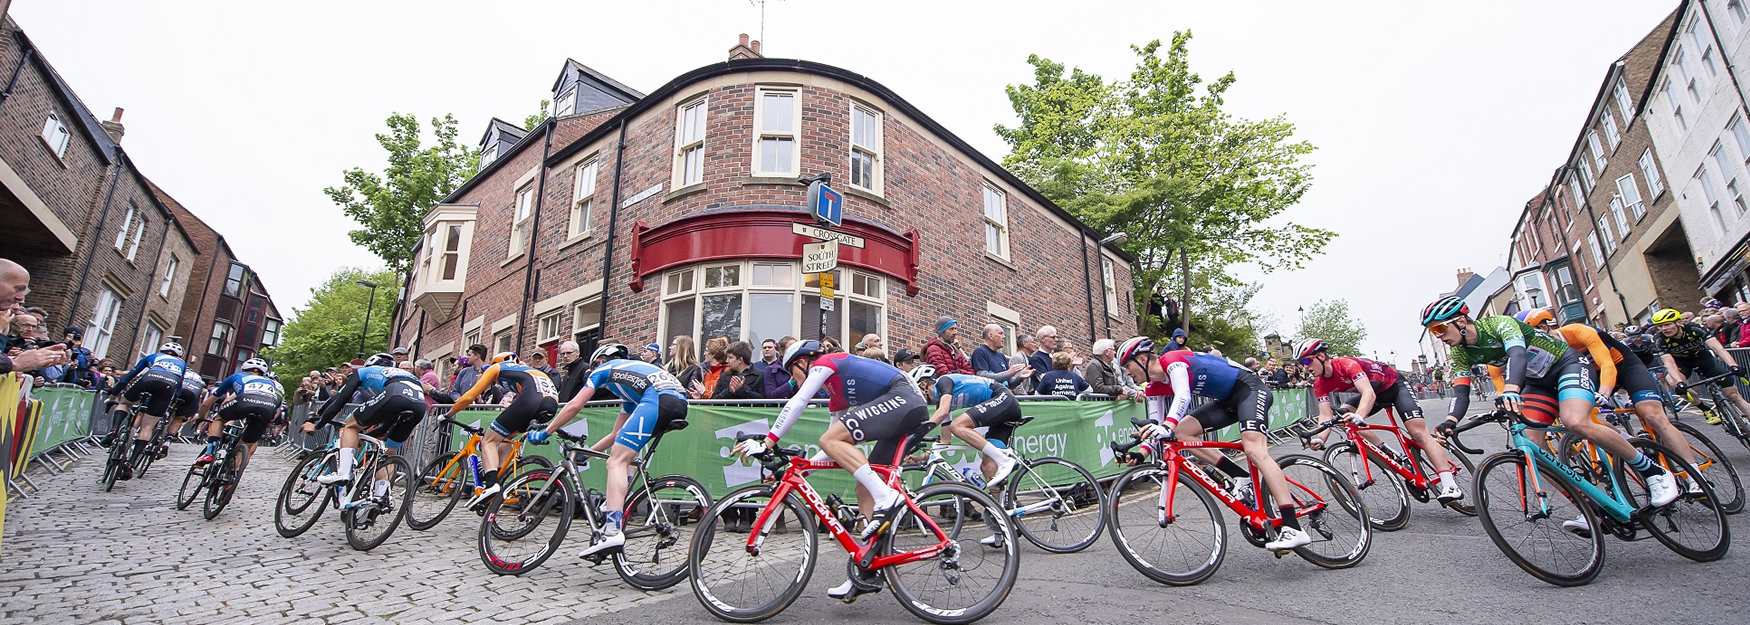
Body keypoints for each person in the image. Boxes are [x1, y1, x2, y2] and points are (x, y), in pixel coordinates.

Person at [1422, 297, 1679, 514]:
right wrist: (1450, 422)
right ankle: (1588, 507)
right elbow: (1461, 390)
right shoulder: (1459, 353)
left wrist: (1512, 390)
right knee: (1531, 445)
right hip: (1538, 383)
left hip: (1566, 364)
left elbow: (1517, 354)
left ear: (1461, 321)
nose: (1440, 337)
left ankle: (1654, 472)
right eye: (1435, 332)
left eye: (1439, 329)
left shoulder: (1500, 324)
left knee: (1575, 421)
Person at [733, 339, 928, 602]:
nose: (794, 379)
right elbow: (833, 442)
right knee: (865, 486)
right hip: (907, 406)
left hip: (904, 397)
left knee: (853, 463)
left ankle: (886, 497)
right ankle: (867, 568)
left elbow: (798, 402)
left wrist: (768, 442)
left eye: (793, 372)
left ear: (803, 362)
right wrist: (806, 468)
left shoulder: (825, 363)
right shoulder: (837, 396)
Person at [1117, 335, 1311, 549]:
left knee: (1254, 450)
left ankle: (1293, 526)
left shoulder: (1172, 361)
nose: (1126, 372)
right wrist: (1142, 453)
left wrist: (1166, 426)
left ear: (1143, 359)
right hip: (1226, 401)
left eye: (1127, 365)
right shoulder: (1153, 387)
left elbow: (1182, 396)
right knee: (1180, 433)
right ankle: (1240, 476)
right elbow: (1158, 426)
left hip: (1250, 389)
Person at [533, 344, 687, 558]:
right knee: (626, 455)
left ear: (600, 360)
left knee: (616, 462)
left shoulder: (604, 369)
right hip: (677, 401)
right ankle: (616, 504)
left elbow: (573, 406)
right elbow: (616, 433)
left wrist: (547, 431)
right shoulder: (632, 386)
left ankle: (613, 529)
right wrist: (586, 452)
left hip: (658, 398)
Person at [1542, 322, 1702, 489]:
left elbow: (1606, 364)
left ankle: (1696, 478)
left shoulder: (1577, 331)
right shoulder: (1547, 352)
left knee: (1652, 414)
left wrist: (1604, 392)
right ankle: (1630, 443)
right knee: (1586, 418)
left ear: (1545, 328)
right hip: (1591, 375)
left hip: (1624, 367)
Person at [1299, 339, 1463, 502]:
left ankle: (1450, 485)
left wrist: (1360, 416)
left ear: (1321, 356)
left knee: (1418, 433)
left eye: (1307, 360)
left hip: (1395, 387)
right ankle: (1389, 452)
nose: (1305, 367)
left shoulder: (1346, 364)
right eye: (1301, 363)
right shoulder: (1320, 383)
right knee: (1342, 417)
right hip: (1375, 394)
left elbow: (1368, 393)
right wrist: (1320, 438)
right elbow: (1325, 415)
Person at [442, 350, 560, 509]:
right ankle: (500, 480)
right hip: (550, 406)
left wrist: (448, 414)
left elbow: (468, 397)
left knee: (488, 441)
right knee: (505, 440)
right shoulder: (527, 370)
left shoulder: (496, 368)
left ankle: (491, 485)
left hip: (531, 401)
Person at [309, 353, 428, 508]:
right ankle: (379, 497)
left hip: (394, 396)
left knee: (350, 427)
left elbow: (339, 400)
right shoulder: (401, 374)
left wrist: (318, 424)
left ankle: (343, 474)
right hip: (419, 407)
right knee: (388, 453)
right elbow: (386, 421)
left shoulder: (363, 372)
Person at [913, 365, 1020, 492]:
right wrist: (921, 458)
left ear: (924, 384)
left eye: (916, 392)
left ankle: (1004, 460)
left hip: (1002, 398)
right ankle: (999, 507)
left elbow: (942, 412)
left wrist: (918, 433)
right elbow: (944, 443)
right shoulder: (942, 404)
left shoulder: (943, 382)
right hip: (1000, 415)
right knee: (987, 466)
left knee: (957, 426)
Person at [1650, 307, 1750, 427]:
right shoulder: (1659, 339)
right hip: (1680, 363)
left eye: (1667, 324)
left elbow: (1717, 348)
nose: (1663, 329)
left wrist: (1733, 366)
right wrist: (1679, 383)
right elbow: (1669, 363)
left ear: (1678, 322)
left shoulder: (1694, 329)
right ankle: (1705, 408)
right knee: (1673, 381)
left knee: (1734, 395)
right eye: (1659, 326)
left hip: (1702, 358)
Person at [193, 358, 284, 485]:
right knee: (246, 444)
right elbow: (275, 412)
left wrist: (201, 417)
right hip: (267, 410)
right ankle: (231, 477)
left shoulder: (238, 376)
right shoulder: (277, 385)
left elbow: (208, 403)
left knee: (219, 418)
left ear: (244, 369)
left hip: (243, 402)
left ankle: (210, 453)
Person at [108, 341, 189, 479]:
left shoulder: (153, 356)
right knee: (148, 427)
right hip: (168, 387)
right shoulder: (182, 364)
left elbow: (129, 377)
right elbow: (179, 387)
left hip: (149, 379)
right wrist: (172, 402)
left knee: (124, 403)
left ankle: (114, 431)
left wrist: (113, 394)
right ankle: (131, 463)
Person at [970, 324, 1030, 388]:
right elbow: (982, 376)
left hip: (1003, 394)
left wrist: (1020, 377)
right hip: (990, 396)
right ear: (990, 336)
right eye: (1000, 333)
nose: (1004, 336)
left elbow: (1009, 384)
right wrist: (1009, 372)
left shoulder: (1001, 356)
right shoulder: (980, 352)